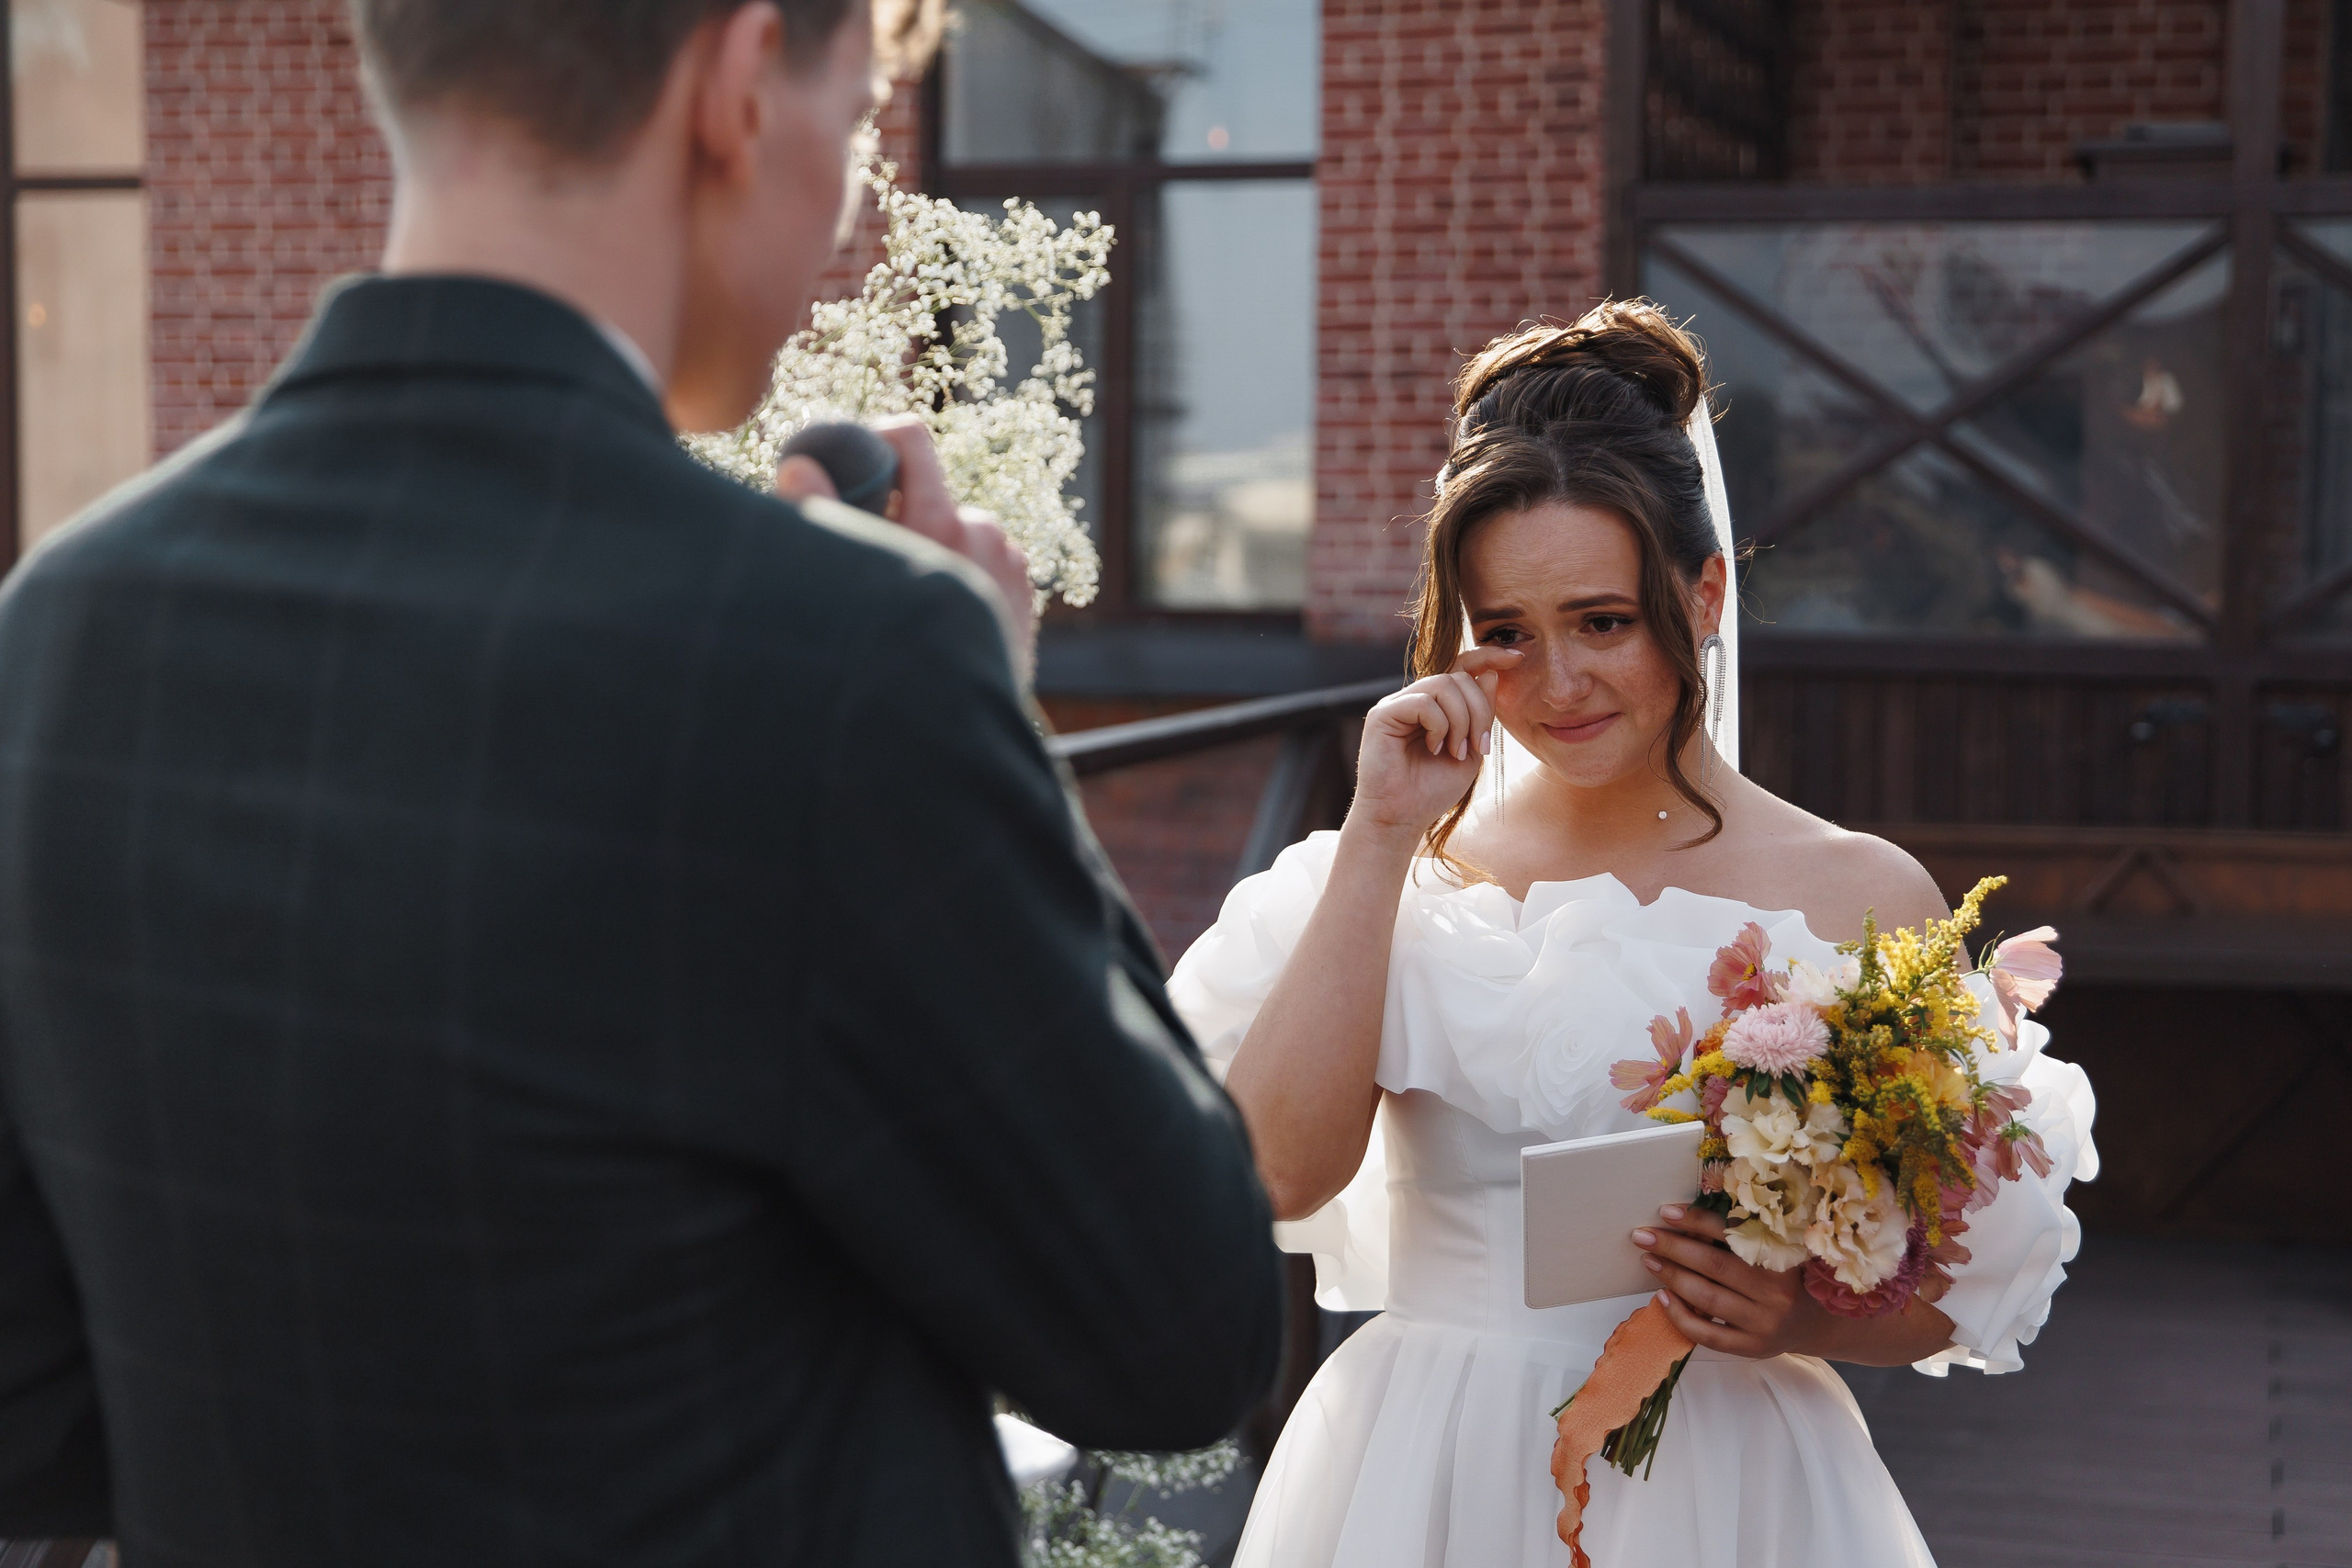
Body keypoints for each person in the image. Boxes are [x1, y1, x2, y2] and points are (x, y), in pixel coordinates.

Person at [0, 2, 1284, 1562]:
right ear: (740, 81)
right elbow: (1176, 1334)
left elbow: (36, 1416)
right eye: (859, 111)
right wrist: (987, 717)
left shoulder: (58, 632)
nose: (844, 209)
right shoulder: (843, 666)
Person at [1168, 301, 2098, 1567]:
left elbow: (1946, 1295)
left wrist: (1793, 1314)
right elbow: (1268, 1176)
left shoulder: (1859, 894)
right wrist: (1382, 835)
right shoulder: (1388, 878)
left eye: (1602, 621)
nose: (1558, 686)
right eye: (1505, 634)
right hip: (1418, 1475)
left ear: (1705, 594)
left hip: (1725, 1484)